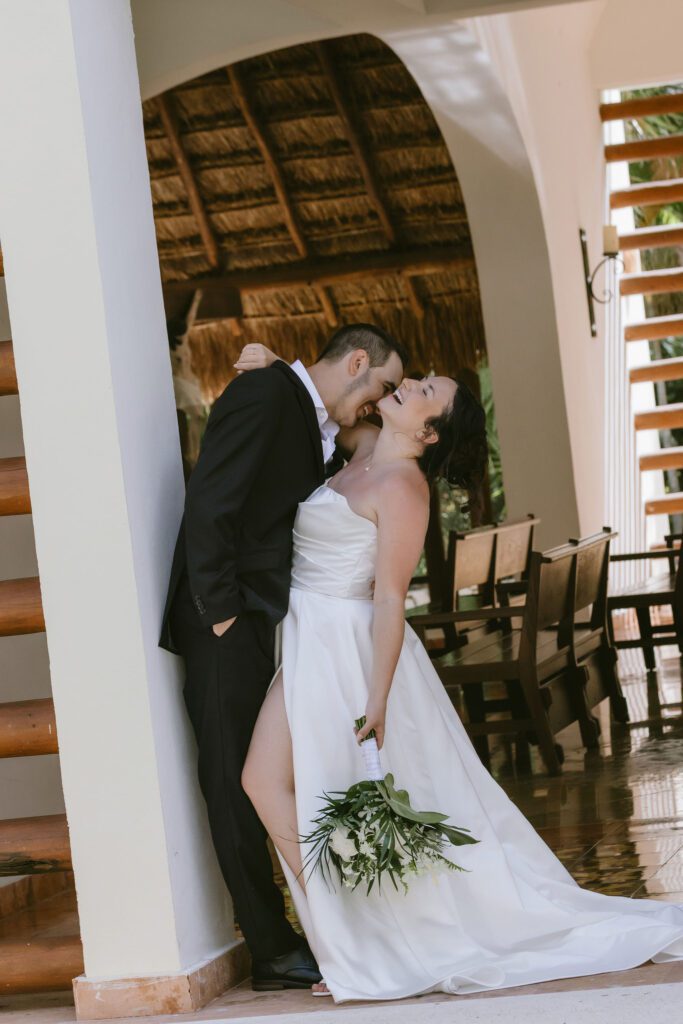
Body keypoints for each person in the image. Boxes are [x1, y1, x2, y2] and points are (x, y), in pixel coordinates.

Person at [239, 344, 683, 1003]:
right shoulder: (365, 446)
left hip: (350, 653)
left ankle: (357, 945)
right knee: (262, 782)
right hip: (308, 640)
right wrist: (275, 367)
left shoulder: (404, 488)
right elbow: (322, 404)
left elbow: (390, 599)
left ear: (428, 433)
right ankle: (348, 938)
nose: (412, 384)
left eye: (426, 392)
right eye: (420, 380)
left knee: (310, 789)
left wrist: (377, 699)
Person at [158, 324, 406, 991]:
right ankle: (269, 947)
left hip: (262, 619)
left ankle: (296, 930)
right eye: (382, 385)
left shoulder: (296, 406)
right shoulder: (267, 395)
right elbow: (212, 499)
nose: (379, 402)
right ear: (357, 361)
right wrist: (220, 615)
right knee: (229, 779)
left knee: (254, 774)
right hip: (224, 620)